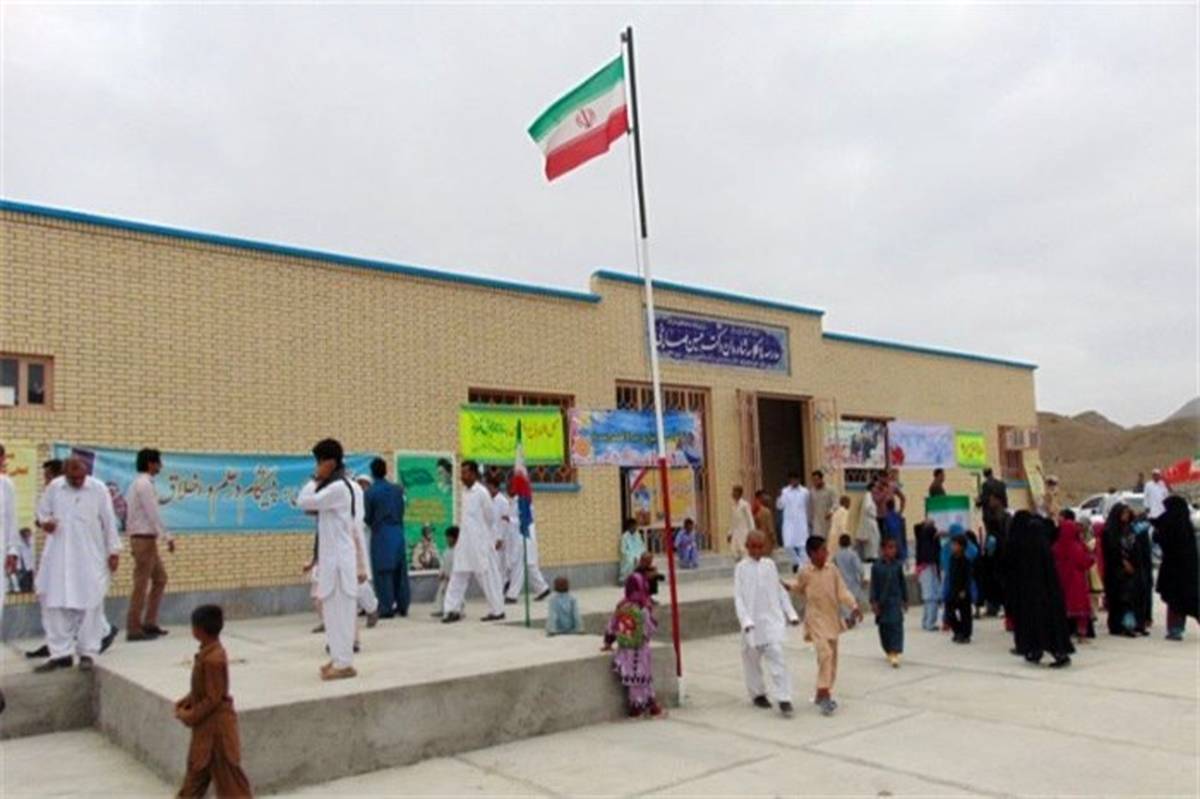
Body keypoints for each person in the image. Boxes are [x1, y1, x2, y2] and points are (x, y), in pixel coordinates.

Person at [33, 456, 122, 673]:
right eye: (73, 478)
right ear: (65, 474)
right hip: (59, 557)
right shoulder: (55, 487)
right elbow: (41, 512)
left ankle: (88, 653)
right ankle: (60, 654)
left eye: (81, 477)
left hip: (89, 556)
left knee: (91, 605)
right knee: (54, 604)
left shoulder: (98, 489)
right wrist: (46, 523)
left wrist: (114, 551)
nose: (78, 481)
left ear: (86, 473)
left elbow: (109, 521)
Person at [297, 439, 362, 680]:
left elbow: (303, 500)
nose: (317, 467)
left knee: (341, 614)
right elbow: (311, 508)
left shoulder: (338, 488)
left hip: (339, 563)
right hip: (332, 561)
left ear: (330, 463)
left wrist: (315, 479)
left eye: (319, 463)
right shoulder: (336, 487)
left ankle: (344, 663)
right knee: (332, 614)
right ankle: (337, 658)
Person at [174, 604, 253, 798]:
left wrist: (189, 716)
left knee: (232, 786)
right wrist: (186, 701)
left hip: (218, 735)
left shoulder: (213, 659)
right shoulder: (207, 654)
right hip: (205, 734)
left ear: (199, 630)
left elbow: (213, 698)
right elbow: (202, 690)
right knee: (193, 783)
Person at [788, 536, 862, 716]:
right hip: (815, 620)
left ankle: (822, 692)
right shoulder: (805, 572)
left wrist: (853, 606)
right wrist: (787, 586)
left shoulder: (832, 570)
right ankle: (825, 693)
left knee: (832, 658)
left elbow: (842, 591)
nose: (826, 553)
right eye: (822, 550)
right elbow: (799, 587)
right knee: (825, 654)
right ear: (812, 554)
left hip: (832, 619)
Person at [735, 531, 799, 717]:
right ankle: (758, 694)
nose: (757, 551)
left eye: (760, 547)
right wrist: (745, 620)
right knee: (752, 662)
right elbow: (739, 597)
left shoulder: (770, 565)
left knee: (778, 657)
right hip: (751, 624)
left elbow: (780, 591)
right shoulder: (741, 568)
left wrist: (791, 613)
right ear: (747, 547)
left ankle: (784, 698)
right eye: (753, 547)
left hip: (771, 622)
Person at [1004, 511, 1074, 666]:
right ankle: (1040, 650)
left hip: (1030, 593)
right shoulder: (1041, 543)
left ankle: (1047, 652)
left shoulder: (1021, 544)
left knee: (1035, 621)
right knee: (1047, 621)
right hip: (1047, 592)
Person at [442, 461, 505, 623]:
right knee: (458, 575)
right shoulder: (464, 492)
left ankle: (497, 610)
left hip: (480, 543)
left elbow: (490, 517)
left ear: (474, 474)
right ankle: (452, 610)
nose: (462, 476)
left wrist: (485, 536)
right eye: (461, 472)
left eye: (465, 472)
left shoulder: (482, 492)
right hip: (465, 542)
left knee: (487, 577)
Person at [125, 448, 174, 641]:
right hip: (143, 539)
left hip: (147, 539)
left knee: (160, 579)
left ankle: (149, 622)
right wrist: (167, 537)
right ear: (150, 464)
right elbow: (152, 513)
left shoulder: (142, 484)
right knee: (141, 583)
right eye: (158, 462)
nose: (160, 466)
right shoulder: (144, 484)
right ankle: (133, 628)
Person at [601, 569, 663, 718]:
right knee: (644, 678)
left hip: (626, 651)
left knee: (633, 681)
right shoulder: (644, 607)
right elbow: (650, 628)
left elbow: (612, 626)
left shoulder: (622, 606)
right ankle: (647, 705)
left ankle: (640, 706)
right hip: (641, 650)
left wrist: (608, 641)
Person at [364, 458, 409, 619]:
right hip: (398, 531)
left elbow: (368, 517)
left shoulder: (370, 492)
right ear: (386, 471)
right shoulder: (397, 490)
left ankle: (386, 607)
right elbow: (402, 510)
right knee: (400, 572)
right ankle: (403, 605)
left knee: (383, 572)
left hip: (381, 533)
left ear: (372, 473)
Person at [1153, 496, 1199, 640]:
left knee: (1174, 600)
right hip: (1187, 570)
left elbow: (1160, 537)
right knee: (1186, 599)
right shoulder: (1185, 524)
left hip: (1173, 570)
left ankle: (1175, 630)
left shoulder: (1171, 524)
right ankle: (1176, 629)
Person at [1052, 512, 1095, 642]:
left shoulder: (1056, 546)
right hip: (1076, 582)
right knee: (1080, 609)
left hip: (1061, 580)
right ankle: (1081, 635)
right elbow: (1084, 562)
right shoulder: (1076, 546)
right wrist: (1091, 557)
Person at [1101, 504, 1142, 636]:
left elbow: (1135, 546)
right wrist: (1123, 563)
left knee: (1130, 598)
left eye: (1127, 513)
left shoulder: (1129, 529)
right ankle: (1117, 626)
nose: (1126, 516)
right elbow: (1110, 551)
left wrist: (1134, 563)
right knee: (1118, 598)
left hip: (1131, 569)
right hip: (1116, 570)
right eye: (1124, 513)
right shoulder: (1109, 531)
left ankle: (1130, 625)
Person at [870, 537, 907, 667]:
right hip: (882, 602)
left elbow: (902, 583)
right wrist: (874, 602)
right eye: (890, 547)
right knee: (884, 628)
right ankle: (888, 649)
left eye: (894, 547)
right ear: (883, 549)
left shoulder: (898, 566)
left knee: (896, 626)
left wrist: (905, 599)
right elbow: (873, 585)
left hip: (895, 600)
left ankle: (895, 652)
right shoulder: (876, 567)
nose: (893, 550)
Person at [976, 492, 1009, 617]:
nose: (990, 502)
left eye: (992, 500)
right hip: (992, 554)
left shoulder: (1004, 516)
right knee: (991, 581)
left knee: (1000, 581)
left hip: (1000, 553)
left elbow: (1003, 535)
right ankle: (993, 606)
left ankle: (1002, 605)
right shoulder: (990, 514)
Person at [943, 533, 976, 643]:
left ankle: (966, 635)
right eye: (952, 544)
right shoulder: (952, 559)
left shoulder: (966, 561)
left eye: (955, 545)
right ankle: (958, 631)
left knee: (965, 614)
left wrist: (964, 590)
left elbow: (968, 578)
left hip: (963, 591)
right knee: (949, 612)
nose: (952, 547)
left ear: (961, 547)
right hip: (953, 590)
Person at [776, 472, 811, 571]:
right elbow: (779, 506)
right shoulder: (784, 491)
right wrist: (779, 497)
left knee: (803, 546)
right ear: (789, 480)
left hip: (801, 522)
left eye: (795, 479)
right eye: (792, 480)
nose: (794, 481)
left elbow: (808, 506)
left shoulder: (805, 492)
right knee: (788, 545)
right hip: (789, 523)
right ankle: (797, 563)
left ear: (799, 480)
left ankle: (803, 567)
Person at [914, 519, 942, 631]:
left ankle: (926, 622)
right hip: (929, 567)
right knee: (932, 596)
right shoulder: (929, 538)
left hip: (923, 568)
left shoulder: (921, 537)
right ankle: (930, 623)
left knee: (927, 597)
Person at [832, 533, 865, 623]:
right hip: (853, 582)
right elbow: (859, 568)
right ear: (850, 542)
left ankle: (847, 618)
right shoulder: (853, 554)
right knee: (853, 600)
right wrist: (862, 578)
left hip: (842, 581)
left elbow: (833, 567)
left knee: (844, 601)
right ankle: (852, 618)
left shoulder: (837, 555)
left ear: (839, 543)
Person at [431, 526, 458, 618]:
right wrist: (441, 573)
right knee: (442, 594)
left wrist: (451, 576)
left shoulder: (457, 552)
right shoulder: (446, 551)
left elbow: (456, 566)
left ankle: (457, 610)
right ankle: (442, 610)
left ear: (455, 538)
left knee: (454, 594)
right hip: (445, 578)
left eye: (449, 537)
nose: (447, 540)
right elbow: (443, 564)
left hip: (453, 578)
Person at [727, 485, 756, 559]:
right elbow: (732, 521)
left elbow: (750, 519)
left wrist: (752, 533)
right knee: (734, 552)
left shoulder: (745, 505)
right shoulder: (733, 505)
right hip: (735, 533)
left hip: (744, 533)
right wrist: (730, 533)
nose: (732, 493)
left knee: (744, 552)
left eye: (734, 491)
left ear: (739, 493)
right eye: (733, 491)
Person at [809, 471, 837, 542]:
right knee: (817, 540)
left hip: (827, 520)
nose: (815, 482)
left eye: (816, 480)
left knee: (828, 540)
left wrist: (831, 512)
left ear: (821, 479)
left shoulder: (830, 490)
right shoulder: (812, 491)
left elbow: (836, 503)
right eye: (813, 480)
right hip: (816, 521)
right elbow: (811, 506)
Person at [855, 482, 880, 562]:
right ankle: (871, 556)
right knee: (872, 540)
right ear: (872, 488)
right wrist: (874, 514)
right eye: (875, 487)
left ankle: (872, 555)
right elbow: (867, 508)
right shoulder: (868, 496)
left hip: (871, 520)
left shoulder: (870, 496)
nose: (877, 489)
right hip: (870, 520)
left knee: (874, 539)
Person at [618, 517, 645, 585]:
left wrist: (640, 554)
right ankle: (625, 579)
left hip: (638, 554)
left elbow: (641, 546)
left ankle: (639, 580)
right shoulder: (624, 537)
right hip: (629, 555)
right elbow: (623, 550)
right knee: (630, 562)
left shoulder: (638, 535)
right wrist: (633, 556)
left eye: (636, 526)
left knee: (643, 560)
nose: (635, 528)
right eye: (633, 526)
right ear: (629, 527)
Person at [882, 499, 907, 564]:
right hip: (899, 540)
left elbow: (885, 531)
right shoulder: (899, 516)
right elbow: (903, 530)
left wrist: (884, 541)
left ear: (887, 507)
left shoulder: (886, 518)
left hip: (890, 540)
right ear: (894, 506)